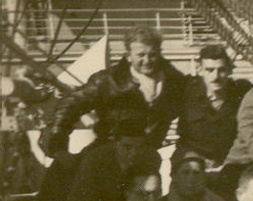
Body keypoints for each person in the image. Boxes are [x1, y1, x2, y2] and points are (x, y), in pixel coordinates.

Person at [41, 26, 185, 156]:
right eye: (140, 55)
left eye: (152, 54)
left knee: (147, 186)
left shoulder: (174, 83)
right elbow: (71, 104)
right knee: (62, 179)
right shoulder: (108, 80)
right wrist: (58, 143)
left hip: (146, 156)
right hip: (109, 154)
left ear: (160, 53)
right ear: (128, 56)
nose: (147, 61)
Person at [176, 44, 253, 166]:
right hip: (193, 162)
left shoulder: (242, 91)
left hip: (231, 161)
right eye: (209, 70)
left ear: (229, 70)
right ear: (200, 70)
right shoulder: (186, 89)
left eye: (221, 70)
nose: (215, 76)